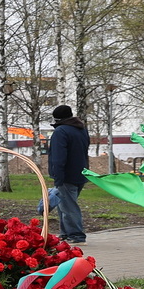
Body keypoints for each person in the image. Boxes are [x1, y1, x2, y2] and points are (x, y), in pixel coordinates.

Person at [46, 105, 91, 244]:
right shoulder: (81, 129)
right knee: (63, 204)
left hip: (66, 174)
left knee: (69, 206)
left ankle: (76, 234)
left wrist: (58, 176)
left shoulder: (61, 131)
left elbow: (59, 157)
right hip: (80, 172)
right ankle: (65, 233)